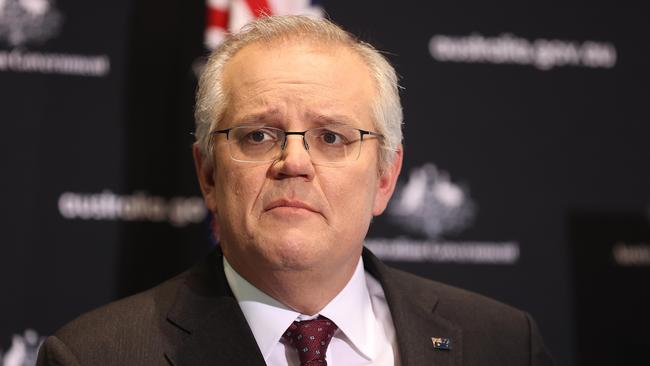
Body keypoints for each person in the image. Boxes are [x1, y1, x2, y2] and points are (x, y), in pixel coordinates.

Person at [37, 15, 553, 366]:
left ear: (385, 178)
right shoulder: (97, 356)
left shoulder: (501, 342)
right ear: (209, 174)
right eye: (258, 135)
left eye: (332, 137)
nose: (295, 163)